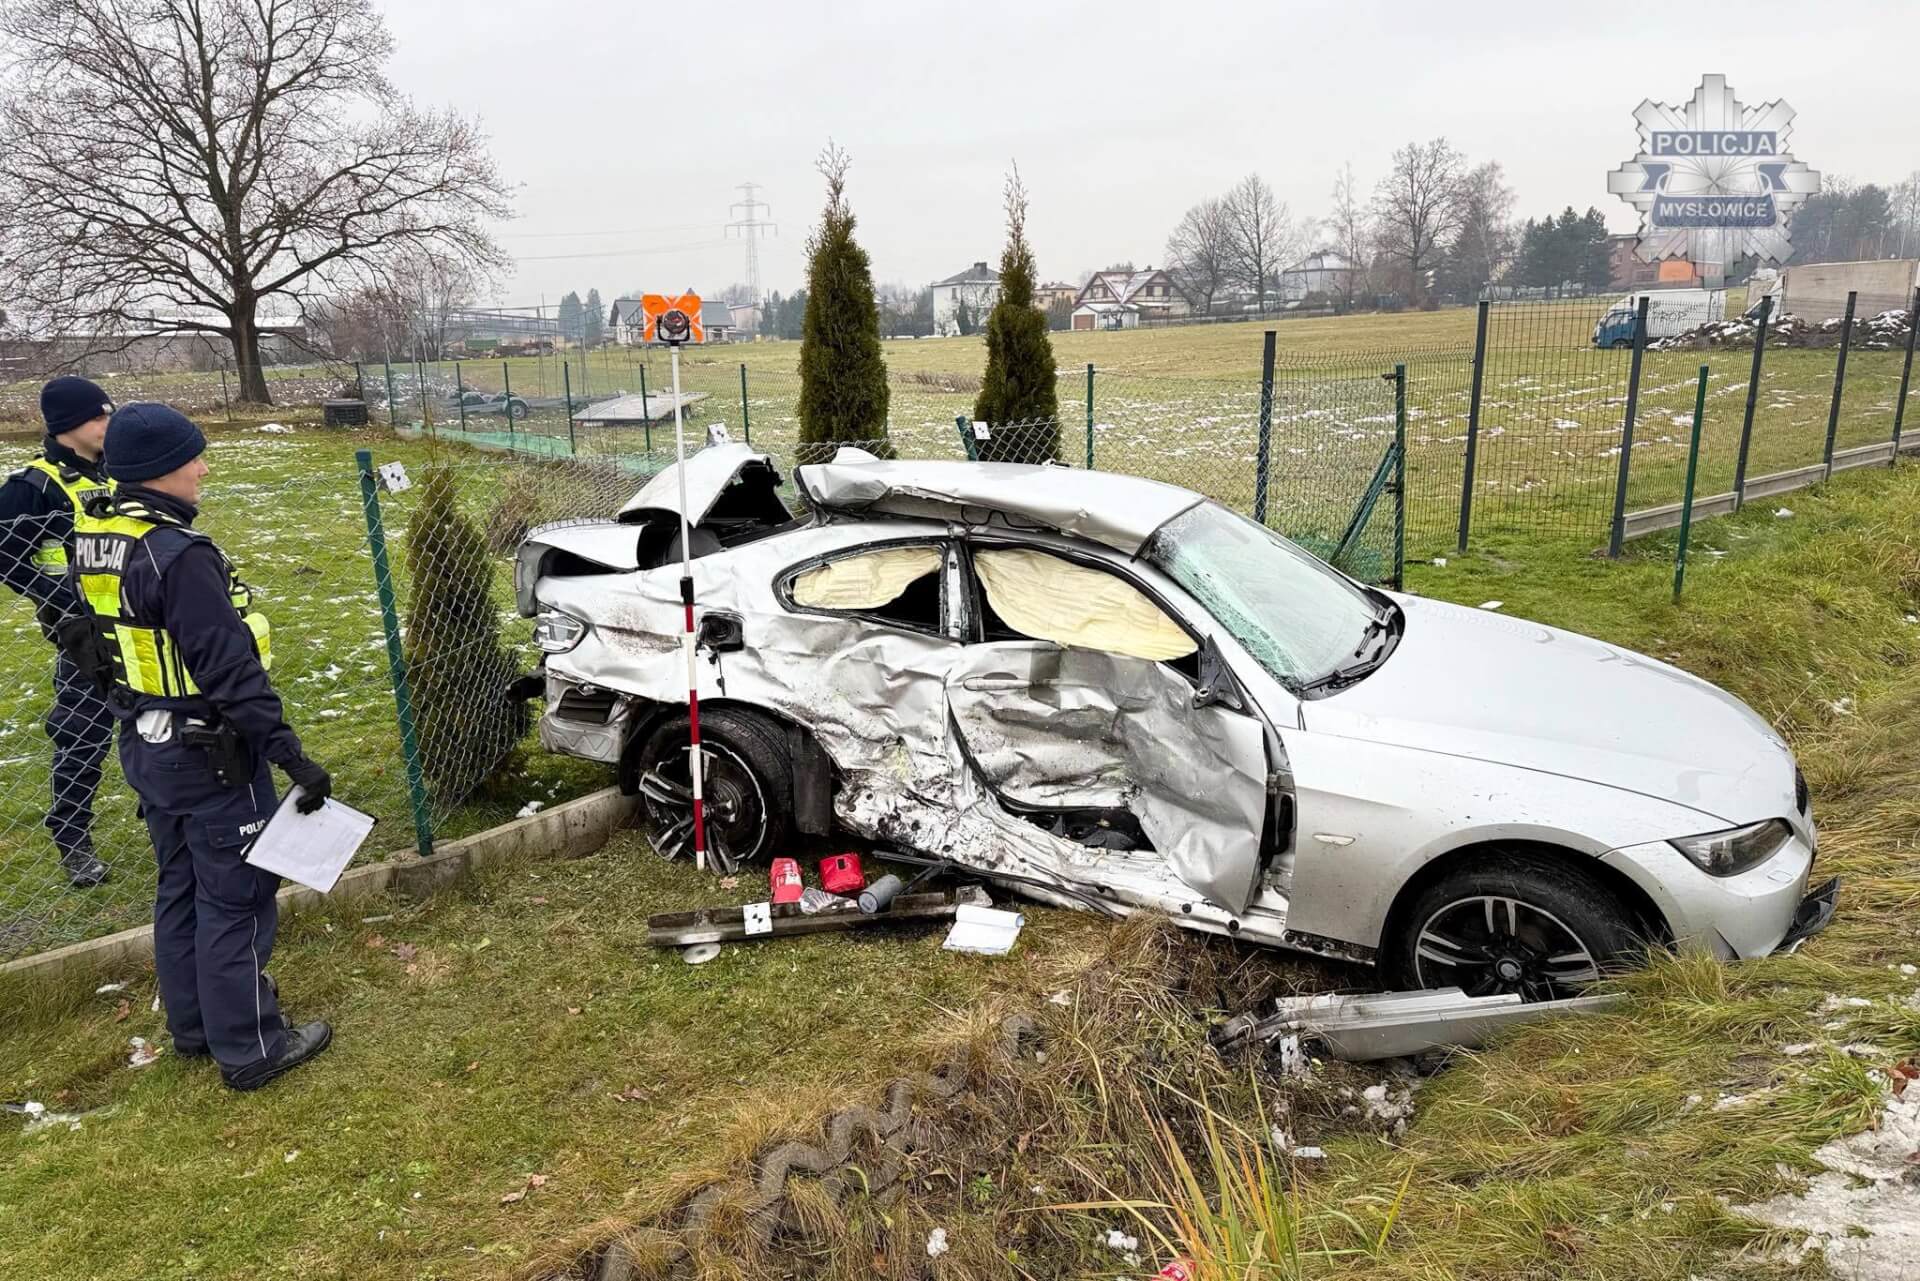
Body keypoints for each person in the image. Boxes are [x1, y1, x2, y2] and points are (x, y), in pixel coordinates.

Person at [67, 402, 333, 1090]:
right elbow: (230, 670)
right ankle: (250, 1046)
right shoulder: (179, 557)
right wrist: (288, 753)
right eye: (193, 458)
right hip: (212, 754)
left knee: (180, 885)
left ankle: (194, 1027)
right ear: (161, 470)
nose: (203, 468)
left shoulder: (99, 536)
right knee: (237, 897)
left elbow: (89, 635)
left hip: (147, 744)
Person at [0, 376, 117, 888]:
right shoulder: (32, 487)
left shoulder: (120, 471)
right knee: (83, 736)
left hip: (142, 623)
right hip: (83, 635)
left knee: (160, 728)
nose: (108, 425)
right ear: (70, 426)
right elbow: (6, 558)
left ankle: (166, 819)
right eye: (100, 417)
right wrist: (60, 599)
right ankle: (73, 838)